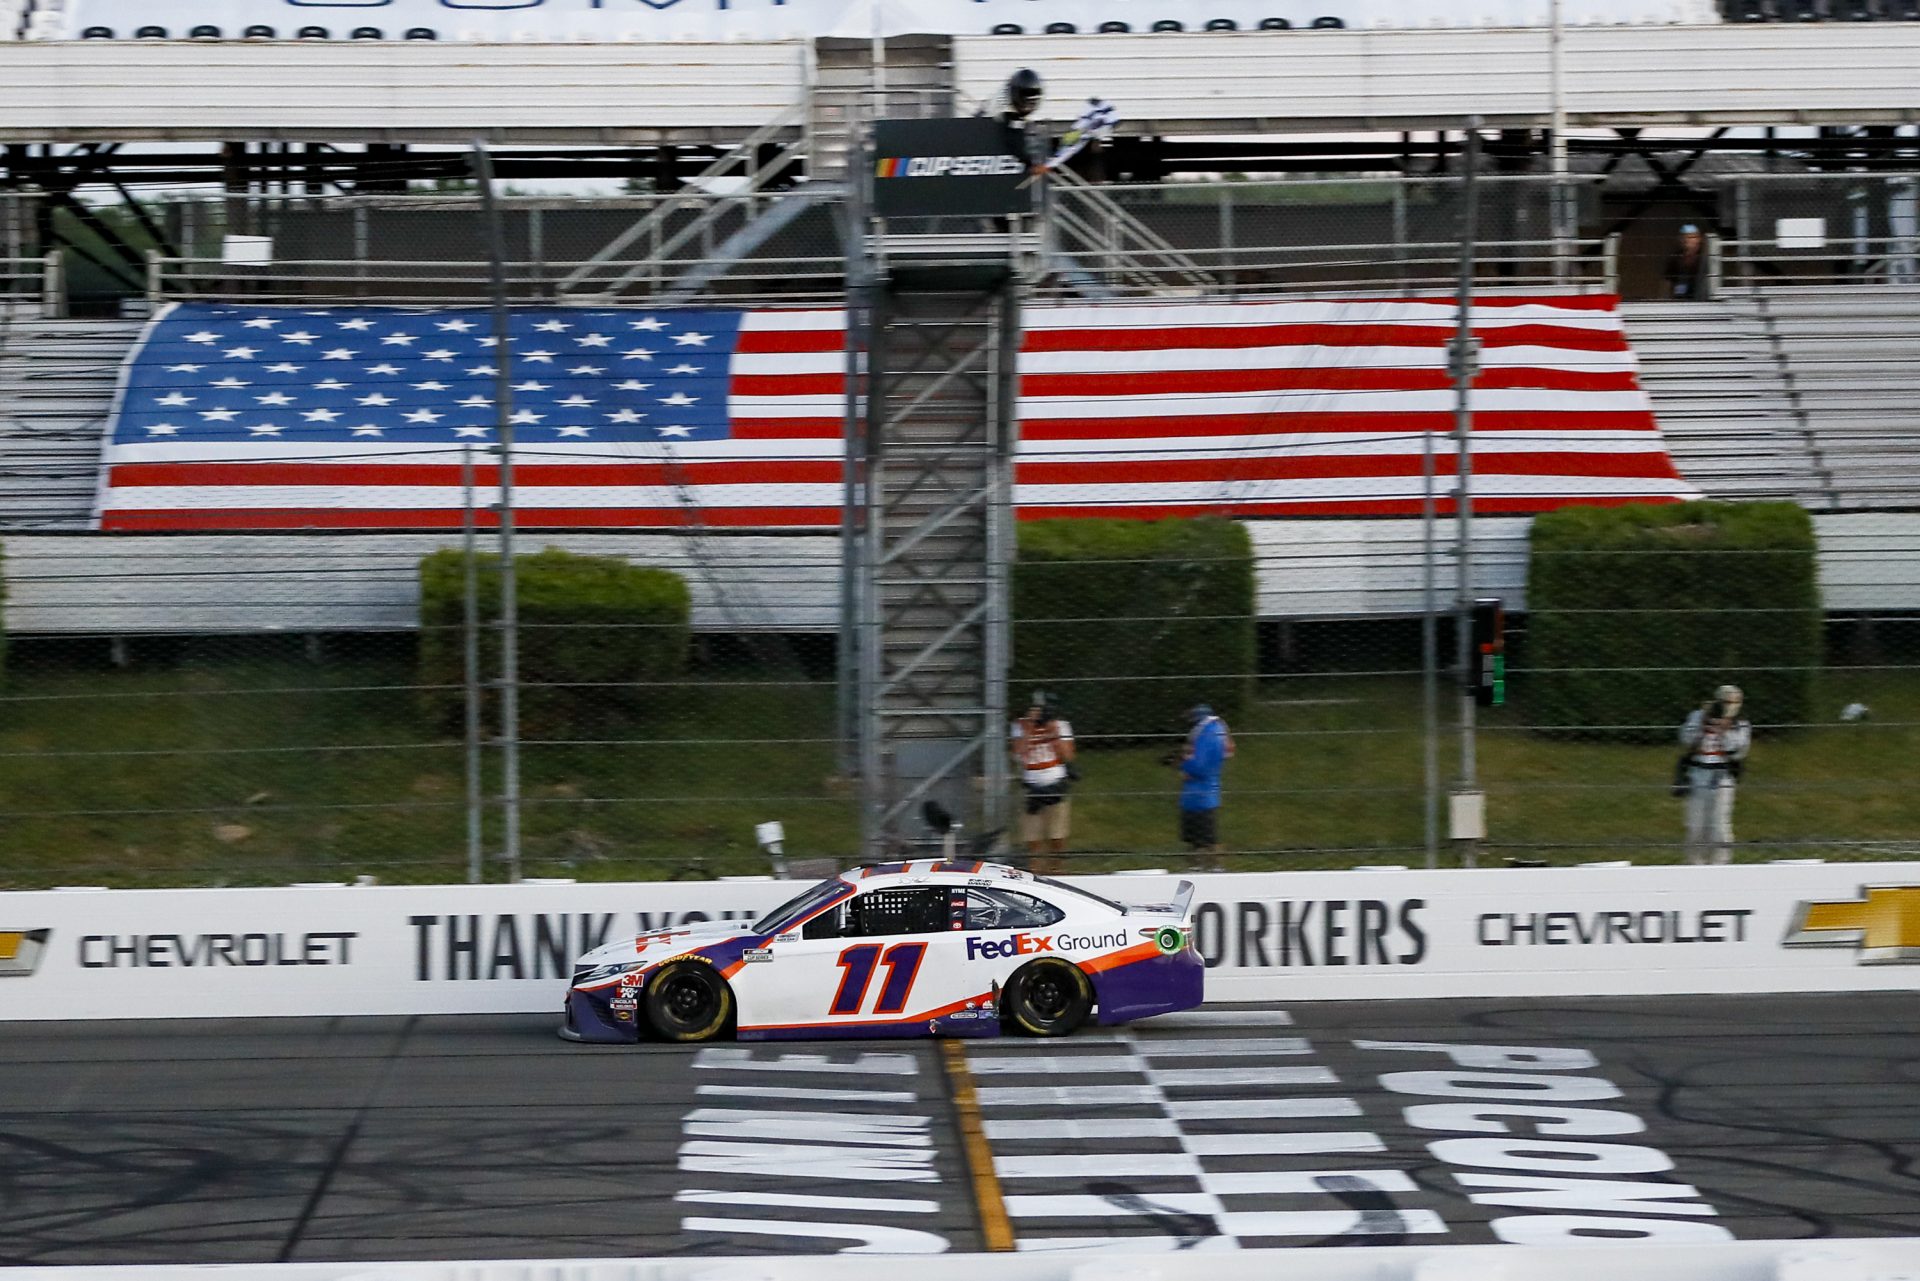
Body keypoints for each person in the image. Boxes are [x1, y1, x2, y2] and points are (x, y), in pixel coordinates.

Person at [1678, 684, 1751, 865]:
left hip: (1722, 775)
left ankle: (1721, 866)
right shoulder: (1698, 716)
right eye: (1726, 702)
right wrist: (1703, 724)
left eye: (1735, 702)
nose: (1729, 707)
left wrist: (1723, 730)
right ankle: (1695, 865)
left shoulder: (1740, 724)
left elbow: (1738, 750)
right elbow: (1685, 740)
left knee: (1720, 824)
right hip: (1698, 772)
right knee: (1695, 825)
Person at [1010, 690, 1075, 873]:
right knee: (1033, 836)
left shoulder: (1060, 725)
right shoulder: (1020, 726)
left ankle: (1056, 867)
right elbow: (1018, 755)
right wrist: (1029, 730)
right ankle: (1035, 867)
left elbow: (1068, 755)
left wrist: (1054, 734)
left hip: (1055, 782)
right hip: (1032, 786)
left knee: (1057, 834)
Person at [1177, 703, 1234, 870]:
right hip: (1197, 794)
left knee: (1207, 838)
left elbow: (1200, 766)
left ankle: (1214, 868)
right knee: (1197, 838)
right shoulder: (1215, 732)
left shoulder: (1208, 734)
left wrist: (1184, 765)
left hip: (1200, 794)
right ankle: (1200, 868)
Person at [1664, 224, 1709, 300]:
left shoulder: (1705, 258)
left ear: (1699, 239)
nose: (1687, 240)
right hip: (1680, 301)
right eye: (1684, 237)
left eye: (1691, 237)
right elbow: (1667, 281)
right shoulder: (1675, 258)